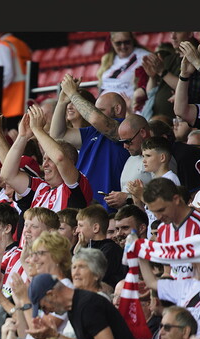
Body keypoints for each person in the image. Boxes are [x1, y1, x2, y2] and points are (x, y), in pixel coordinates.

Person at [50, 74, 130, 208]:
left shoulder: (123, 128)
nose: (96, 113)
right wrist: (62, 101)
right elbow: (58, 135)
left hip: (106, 209)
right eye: (96, 110)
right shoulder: (92, 131)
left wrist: (72, 93)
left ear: (117, 109)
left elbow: (95, 119)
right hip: (84, 206)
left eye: (101, 110)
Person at [29, 274, 141, 339]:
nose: (47, 312)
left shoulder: (88, 305)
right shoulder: (73, 308)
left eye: (44, 307)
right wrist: (53, 335)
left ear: (51, 294)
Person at [97, 32, 150, 109]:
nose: (123, 46)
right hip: (105, 110)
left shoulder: (144, 57)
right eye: (118, 43)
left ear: (132, 40)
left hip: (128, 111)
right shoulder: (108, 59)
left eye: (127, 42)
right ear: (112, 42)